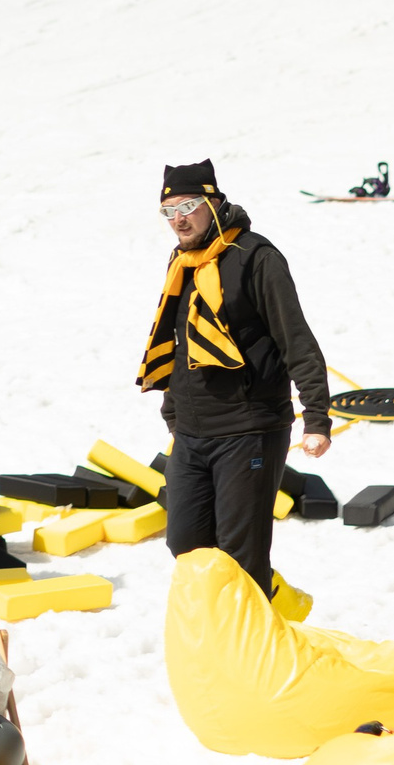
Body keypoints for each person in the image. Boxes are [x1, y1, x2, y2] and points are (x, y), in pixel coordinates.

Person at [137, 159, 330, 597]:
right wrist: (173, 409)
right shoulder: (183, 262)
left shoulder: (256, 258)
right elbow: (179, 338)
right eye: (169, 211)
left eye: (188, 206)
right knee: (185, 544)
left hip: (249, 428)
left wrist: (316, 417)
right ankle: (259, 619)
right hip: (192, 431)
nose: (179, 219)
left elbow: (295, 339)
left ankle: (255, 650)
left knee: (241, 555)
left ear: (214, 203)